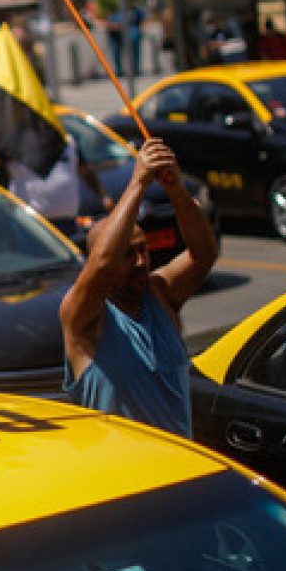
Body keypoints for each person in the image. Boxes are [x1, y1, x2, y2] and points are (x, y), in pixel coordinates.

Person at [59, 138, 217, 438]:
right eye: (127, 254)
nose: (141, 262)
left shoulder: (160, 294)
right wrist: (138, 183)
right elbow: (103, 265)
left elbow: (204, 254)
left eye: (143, 249)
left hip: (178, 464)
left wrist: (175, 189)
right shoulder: (84, 318)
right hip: (124, 467)